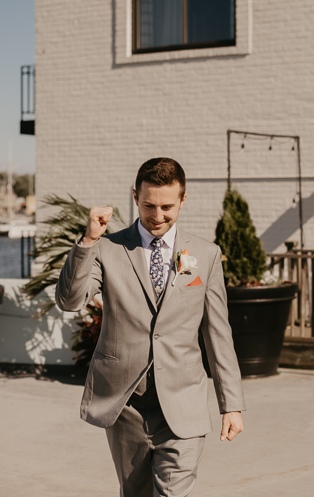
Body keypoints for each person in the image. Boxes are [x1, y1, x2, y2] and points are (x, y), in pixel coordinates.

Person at [56, 157, 245, 497]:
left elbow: (218, 334)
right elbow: (70, 301)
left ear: (183, 200)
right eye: (149, 206)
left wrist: (230, 403)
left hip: (184, 401)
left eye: (167, 207)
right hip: (125, 405)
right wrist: (87, 241)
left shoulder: (206, 253)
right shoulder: (107, 248)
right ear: (135, 197)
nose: (157, 216)